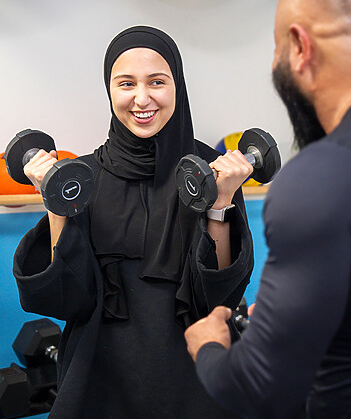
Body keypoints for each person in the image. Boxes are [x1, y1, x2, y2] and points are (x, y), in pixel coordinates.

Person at [13, 26, 255, 419]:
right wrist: (55, 201)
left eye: (157, 82)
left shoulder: (214, 174)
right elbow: (63, 300)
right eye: (126, 83)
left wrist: (221, 201)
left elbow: (216, 301)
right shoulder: (81, 178)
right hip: (99, 385)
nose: (142, 99)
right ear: (110, 90)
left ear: (177, 85)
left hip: (193, 383)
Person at [185, 0, 351, 419]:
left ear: (300, 47)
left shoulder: (324, 175)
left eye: (278, 49)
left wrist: (209, 346)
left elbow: (258, 390)